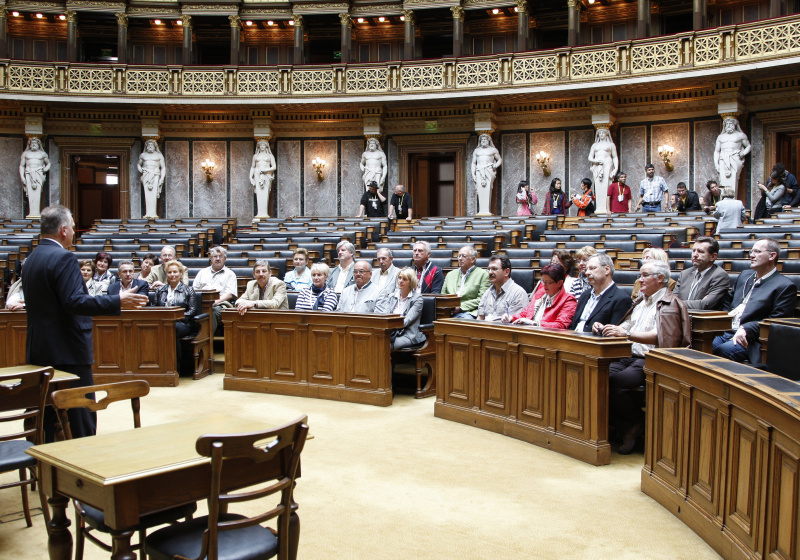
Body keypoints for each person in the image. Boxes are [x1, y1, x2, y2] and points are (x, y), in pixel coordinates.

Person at [23, 205, 147, 440]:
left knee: (48, 416)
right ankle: (83, 469)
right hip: (68, 352)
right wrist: (116, 301)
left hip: (40, 350)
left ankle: (50, 470)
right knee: (81, 416)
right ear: (62, 230)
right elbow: (75, 302)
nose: (72, 232)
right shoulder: (64, 258)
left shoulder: (31, 259)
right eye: (71, 227)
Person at [598, 260, 691, 454]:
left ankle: (634, 423)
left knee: (614, 382)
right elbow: (629, 324)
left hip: (650, 360)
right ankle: (630, 424)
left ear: (660, 278)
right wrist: (611, 328)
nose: (640, 280)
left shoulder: (670, 304)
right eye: (640, 275)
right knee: (596, 378)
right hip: (628, 355)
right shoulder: (641, 300)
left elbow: (662, 336)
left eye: (644, 275)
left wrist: (626, 334)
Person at [712, 238, 797, 363]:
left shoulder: (785, 286)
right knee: (701, 345)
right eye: (751, 251)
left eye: (757, 252)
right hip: (727, 331)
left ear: (772, 256)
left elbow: (777, 320)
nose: (751, 255)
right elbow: (727, 303)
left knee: (723, 350)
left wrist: (747, 328)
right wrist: (721, 321)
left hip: (752, 339)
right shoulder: (744, 275)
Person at [154, 261, 199, 373]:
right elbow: (154, 307)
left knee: (171, 330)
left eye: (175, 272)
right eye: (169, 272)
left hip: (183, 323)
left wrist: (176, 317)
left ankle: (174, 368)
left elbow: (192, 310)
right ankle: (156, 366)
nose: (172, 274)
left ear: (180, 274)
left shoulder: (188, 290)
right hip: (163, 322)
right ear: (166, 274)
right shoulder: (160, 290)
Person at [569, 253, 632, 333]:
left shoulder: (621, 299)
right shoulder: (585, 295)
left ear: (607, 270)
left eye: (592, 268)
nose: (587, 273)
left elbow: (614, 336)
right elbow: (573, 325)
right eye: (586, 269)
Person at [505, 263, 577, 328]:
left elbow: (561, 325)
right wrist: (511, 318)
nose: (544, 285)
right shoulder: (540, 293)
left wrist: (535, 323)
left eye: (548, 282)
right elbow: (525, 313)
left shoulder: (568, 300)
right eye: (543, 281)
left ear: (560, 283)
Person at [375, 268, 426, 351]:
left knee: (385, 345)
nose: (401, 281)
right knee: (372, 340)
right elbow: (384, 315)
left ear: (411, 282)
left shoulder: (417, 298)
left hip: (408, 334)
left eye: (405, 279)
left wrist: (390, 326)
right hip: (390, 332)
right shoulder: (392, 296)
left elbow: (407, 320)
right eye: (399, 278)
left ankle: (386, 364)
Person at [673, 237, 730, 310]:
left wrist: (678, 303)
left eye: (700, 251)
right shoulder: (684, 274)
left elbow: (705, 305)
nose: (695, 255)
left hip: (703, 320)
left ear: (713, 257)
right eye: (693, 251)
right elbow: (672, 301)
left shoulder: (720, 276)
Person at [192, 246, 238, 334]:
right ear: (211, 259)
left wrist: (215, 302)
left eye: (220, 256)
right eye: (215, 256)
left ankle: (205, 340)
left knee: (212, 311)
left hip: (221, 305)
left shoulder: (230, 274)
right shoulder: (202, 273)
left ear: (225, 259)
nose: (217, 259)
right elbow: (194, 290)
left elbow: (230, 294)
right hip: (201, 303)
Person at [442, 245, 490, 319]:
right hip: (448, 311)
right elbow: (443, 295)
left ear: (472, 259)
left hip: (469, 312)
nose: (460, 259)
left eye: (463, 256)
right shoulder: (450, 274)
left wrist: (460, 307)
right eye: (459, 256)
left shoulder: (483, 274)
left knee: (462, 321)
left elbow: (482, 299)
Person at [476, 255, 528, 322]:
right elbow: (480, 318)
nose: (490, 272)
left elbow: (515, 324)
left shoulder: (518, 294)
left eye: (494, 269)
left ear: (506, 272)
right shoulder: (487, 292)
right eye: (489, 269)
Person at [714, 117, 751, 191]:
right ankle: (725, 198)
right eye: (727, 124)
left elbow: (748, 146)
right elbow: (717, 151)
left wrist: (743, 153)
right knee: (723, 180)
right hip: (723, 159)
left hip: (735, 158)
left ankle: (733, 198)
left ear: (734, 125)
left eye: (730, 124)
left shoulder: (740, 135)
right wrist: (716, 164)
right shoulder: (720, 137)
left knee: (733, 178)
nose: (728, 125)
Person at [588, 127, 618, 214]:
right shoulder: (594, 145)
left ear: (606, 134)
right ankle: (600, 208)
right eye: (599, 133)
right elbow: (590, 157)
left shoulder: (611, 145)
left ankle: (606, 209)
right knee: (598, 186)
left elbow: (615, 157)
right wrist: (595, 161)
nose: (601, 135)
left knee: (607, 186)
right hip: (597, 166)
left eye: (603, 133)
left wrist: (615, 169)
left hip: (607, 165)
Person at [471, 133, 502, 216]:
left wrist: (495, 165)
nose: (483, 141)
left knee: (488, 189)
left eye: (485, 139)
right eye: (482, 140)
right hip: (479, 171)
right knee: (480, 190)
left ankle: (486, 211)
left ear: (488, 141)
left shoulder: (493, 150)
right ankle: (482, 211)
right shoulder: (476, 151)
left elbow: (499, 160)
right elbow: (473, 163)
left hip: (488, 170)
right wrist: (473, 174)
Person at [19, 137, 50, 217]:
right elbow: (22, 166)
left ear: (38, 145)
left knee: (38, 192)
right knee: (30, 192)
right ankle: (32, 214)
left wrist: (45, 169)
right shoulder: (26, 154)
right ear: (29, 145)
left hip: (39, 173)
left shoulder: (43, 154)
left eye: (35, 143)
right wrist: (22, 177)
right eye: (32, 143)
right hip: (29, 173)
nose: (33, 145)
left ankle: (36, 213)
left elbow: (48, 163)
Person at [138, 139, 166, 218]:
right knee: (147, 194)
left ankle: (153, 214)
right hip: (146, 174)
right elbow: (139, 164)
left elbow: (163, 168)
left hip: (155, 174)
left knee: (153, 194)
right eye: (148, 145)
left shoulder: (159, 155)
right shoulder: (143, 155)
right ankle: (148, 214)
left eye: (152, 145)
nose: (150, 146)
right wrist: (140, 169)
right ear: (146, 146)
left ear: (155, 146)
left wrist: (162, 179)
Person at [250, 139, 276, 218]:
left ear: (266, 147)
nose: (262, 147)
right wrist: (250, 177)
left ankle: (264, 214)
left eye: (263, 145)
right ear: (258, 147)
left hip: (266, 176)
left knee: (265, 193)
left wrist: (266, 170)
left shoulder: (270, 156)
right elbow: (253, 167)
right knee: (259, 193)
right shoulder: (255, 156)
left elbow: (274, 166)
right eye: (260, 145)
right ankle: (260, 214)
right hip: (257, 175)